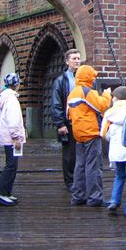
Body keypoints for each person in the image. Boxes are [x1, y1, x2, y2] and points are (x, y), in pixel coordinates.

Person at [67, 65, 112, 207]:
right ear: (88, 77)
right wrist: (107, 94)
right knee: (93, 166)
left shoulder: (72, 93)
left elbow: (68, 114)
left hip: (78, 134)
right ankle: (95, 198)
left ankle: (78, 196)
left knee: (80, 166)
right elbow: (101, 105)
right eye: (92, 76)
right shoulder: (87, 92)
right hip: (91, 133)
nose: (94, 79)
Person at [102, 86, 126, 217]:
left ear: (117, 98)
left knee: (119, 175)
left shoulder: (110, 113)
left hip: (117, 149)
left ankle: (114, 200)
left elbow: (104, 133)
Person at [50, 48, 81, 192]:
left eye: (78, 58)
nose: (77, 61)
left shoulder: (84, 78)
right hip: (68, 122)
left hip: (82, 121)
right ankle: (70, 181)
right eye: (74, 58)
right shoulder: (61, 81)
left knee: (82, 153)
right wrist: (60, 123)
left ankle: (80, 180)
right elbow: (56, 103)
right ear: (67, 61)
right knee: (69, 154)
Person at [0, 73, 27, 206]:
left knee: (12, 164)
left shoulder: (5, 97)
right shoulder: (11, 99)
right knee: (11, 165)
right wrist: (17, 138)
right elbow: (13, 120)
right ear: (16, 84)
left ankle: (7, 191)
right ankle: (1, 191)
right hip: (12, 139)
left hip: (8, 137)